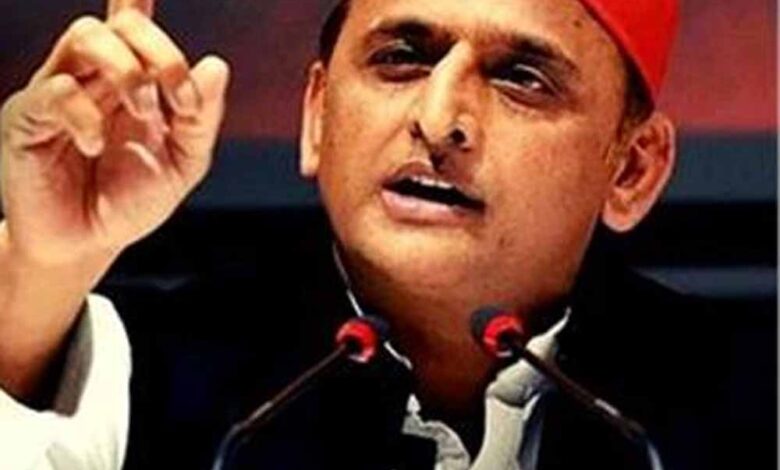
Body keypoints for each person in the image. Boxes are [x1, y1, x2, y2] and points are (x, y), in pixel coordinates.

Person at [0, 0, 766, 469]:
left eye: (521, 78)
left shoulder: (751, 403)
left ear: (631, 168)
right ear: (317, 117)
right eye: (402, 59)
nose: (439, 118)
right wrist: (43, 262)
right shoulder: (158, 373)